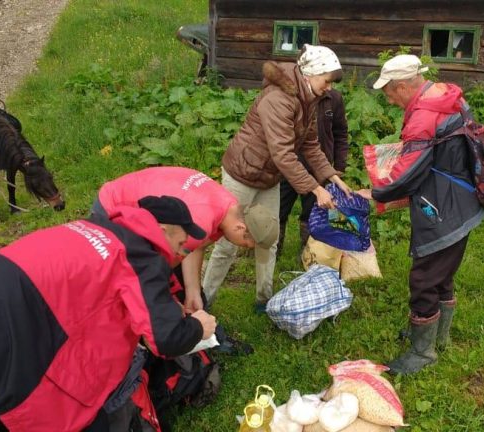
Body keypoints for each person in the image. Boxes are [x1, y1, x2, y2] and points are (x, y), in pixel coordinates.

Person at [0, 195, 217, 431]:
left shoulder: (93, 226)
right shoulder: (141, 255)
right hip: (5, 344)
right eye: (182, 242)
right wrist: (197, 326)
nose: (183, 250)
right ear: (162, 229)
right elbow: (166, 339)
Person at [357, 54, 484, 374]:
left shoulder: (423, 117)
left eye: (388, 92)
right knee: (442, 272)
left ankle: (422, 351)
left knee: (424, 277)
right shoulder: (445, 95)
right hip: (462, 196)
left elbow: (406, 174)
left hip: (443, 208)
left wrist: (374, 193)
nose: (389, 99)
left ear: (402, 86)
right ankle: (437, 337)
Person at [202, 44, 352, 313]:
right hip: (243, 174)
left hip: (269, 178)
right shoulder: (279, 99)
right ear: (310, 74)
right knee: (227, 243)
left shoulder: (310, 99)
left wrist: (331, 176)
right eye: (327, 80)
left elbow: (310, 145)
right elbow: (283, 154)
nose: (330, 87)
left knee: (268, 239)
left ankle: (263, 299)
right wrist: (316, 189)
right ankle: (204, 300)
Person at [94, 166, 278, 313]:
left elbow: (196, 247)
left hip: (135, 194)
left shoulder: (230, 207)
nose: (246, 247)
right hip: (113, 208)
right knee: (124, 279)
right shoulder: (203, 218)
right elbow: (157, 268)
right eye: (248, 244)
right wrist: (170, 305)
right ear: (241, 228)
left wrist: (193, 292)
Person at [277, 87, 349, 258]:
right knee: (278, 209)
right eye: (326, 79)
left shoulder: (334, 99)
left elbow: (340, 133)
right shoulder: (290, 96)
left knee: (312, 213)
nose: (329, 85)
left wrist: (338, 166)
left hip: (319, 168)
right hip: (289, 166)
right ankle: (272, 250)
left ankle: (309, 253)